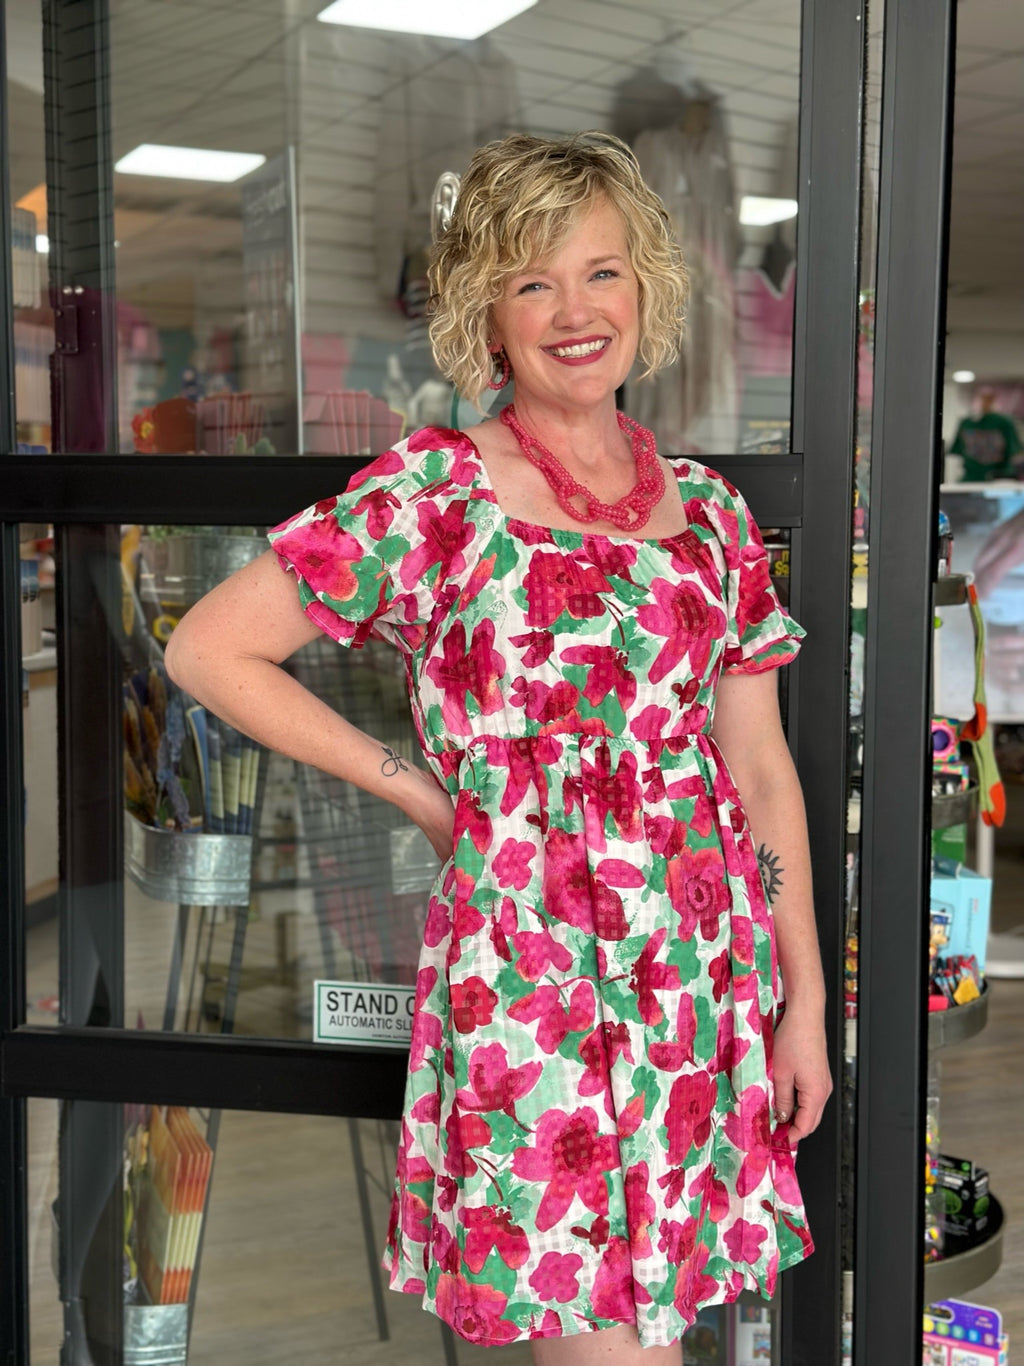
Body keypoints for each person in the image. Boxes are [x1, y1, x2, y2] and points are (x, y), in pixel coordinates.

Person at [166, 131, 831, 1360]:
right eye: (533, 282)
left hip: (696, 973)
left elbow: (760, 769)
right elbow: (209, 649)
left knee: (661, 1322)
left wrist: (804, 1002)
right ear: (488, 311)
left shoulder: (715, 514)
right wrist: (420, 793)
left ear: (648, 290)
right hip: (531, 969)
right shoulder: (438, 492)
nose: (573, 312)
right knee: (600, 1335)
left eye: (601, 273)